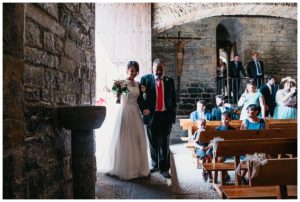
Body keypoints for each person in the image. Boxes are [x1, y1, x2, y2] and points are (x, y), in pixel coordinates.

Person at [98, 61, 149, 180]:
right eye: (131, 69)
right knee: (124, 139)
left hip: (135, 113)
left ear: (137, 71)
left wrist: (144, 106)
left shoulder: (138, 84)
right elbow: (115, 96)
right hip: (125, 112)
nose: (133, 71)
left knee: (136, 140)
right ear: (127, 70)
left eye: (135, 69)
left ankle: (137, 168)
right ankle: (125, 168)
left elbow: (140, 100)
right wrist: (115, 90)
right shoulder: (121, 83)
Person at [139, 59, 177, 179]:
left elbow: (173, 99)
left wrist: (173, 114)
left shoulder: (169, 81)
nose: (159, 71)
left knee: (164, 143)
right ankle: (155, 165)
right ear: (152, 69)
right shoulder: (145, 79)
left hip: (165, 116)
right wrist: (143, 109)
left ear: (164, 69)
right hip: (152, 116)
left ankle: (165, 169)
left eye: (161, 69)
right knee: (152, 142)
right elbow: (140, 97)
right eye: (157, 69)